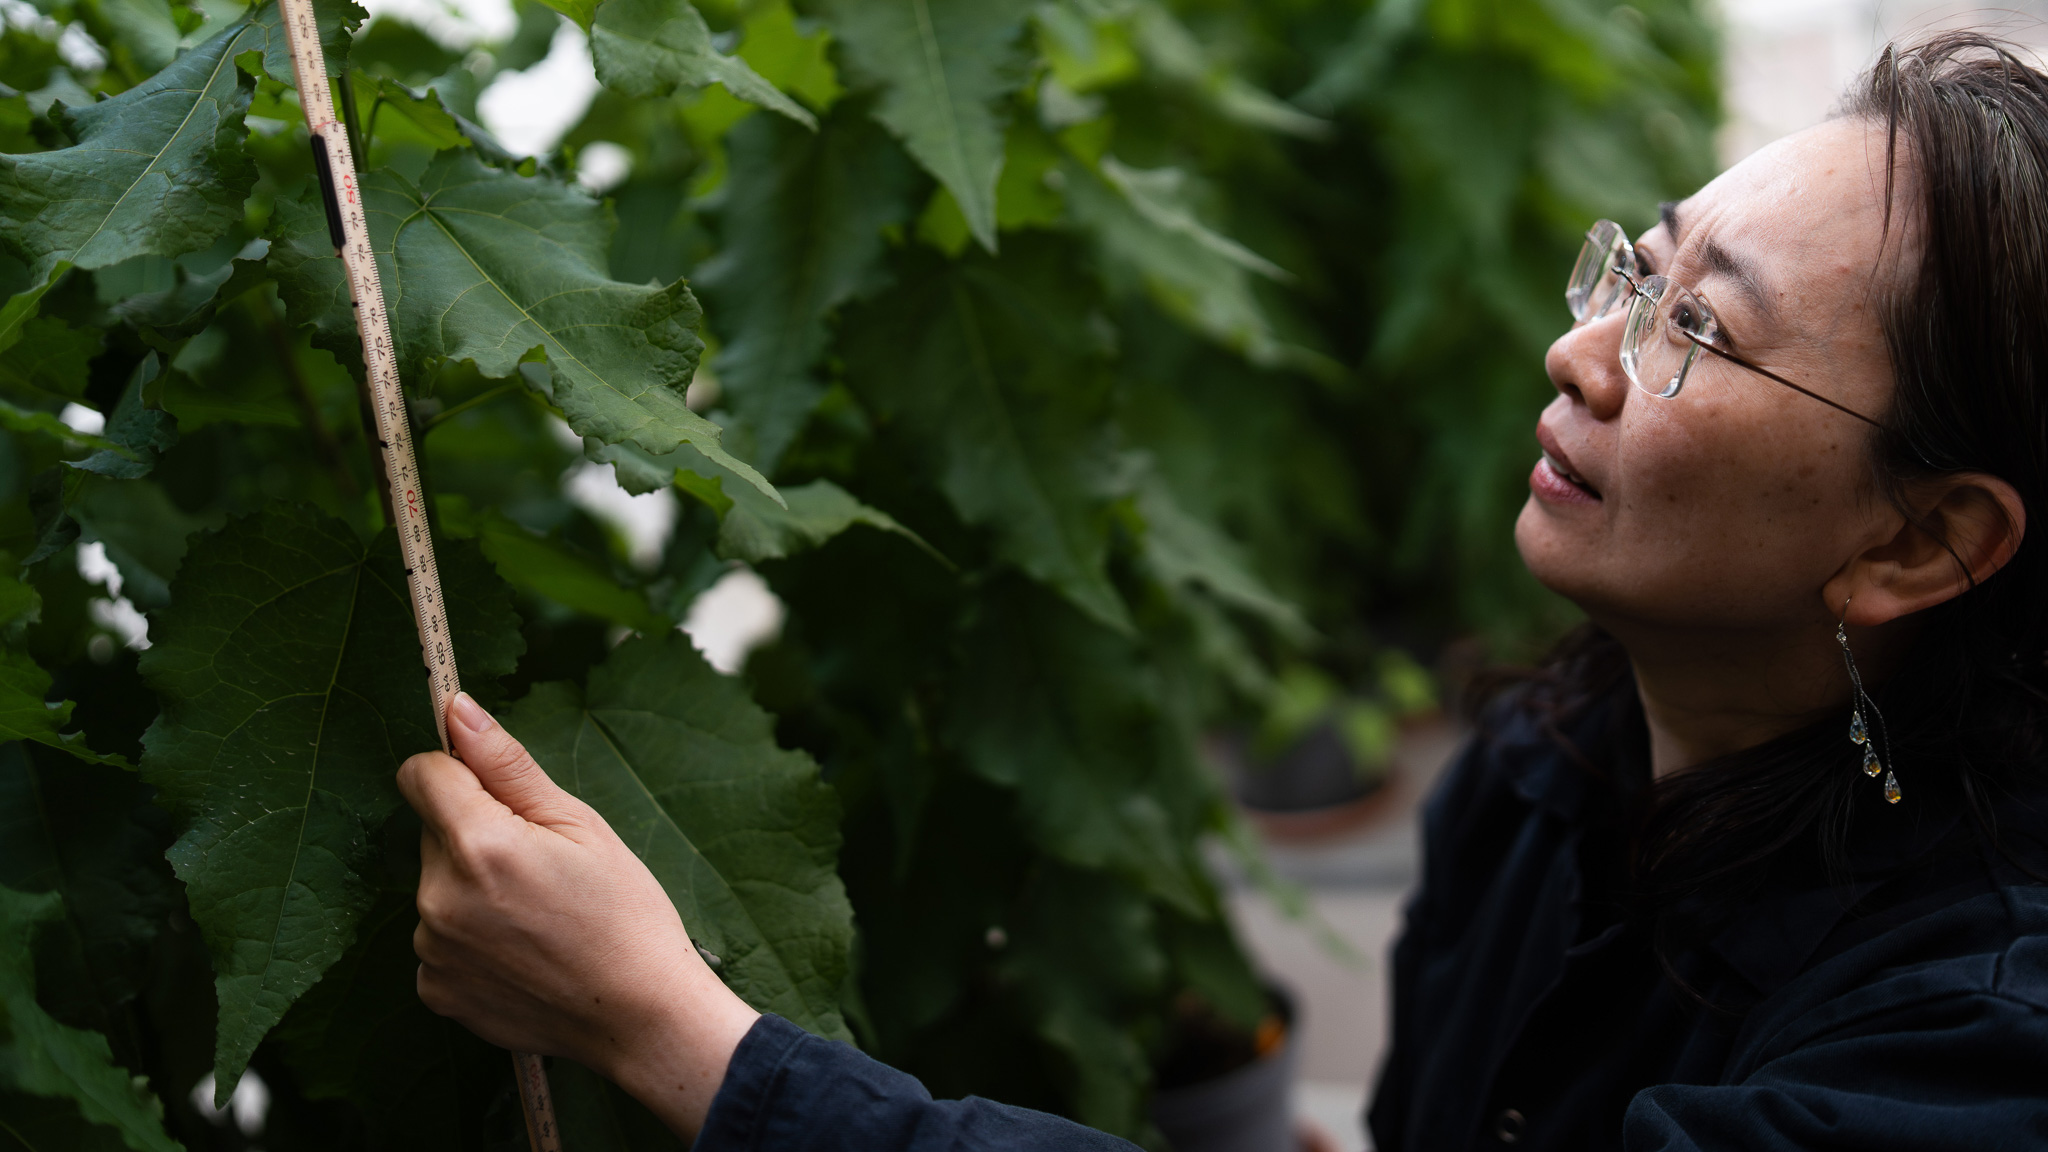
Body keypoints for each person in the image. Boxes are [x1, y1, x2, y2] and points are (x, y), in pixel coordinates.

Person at [396, 33, 2048, 1152]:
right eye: (1640, 269)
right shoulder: (1546, 765)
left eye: (1700, 330)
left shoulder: (1975, 1052)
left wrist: (676, 1033)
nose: (1580, 353)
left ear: (1921, 544)